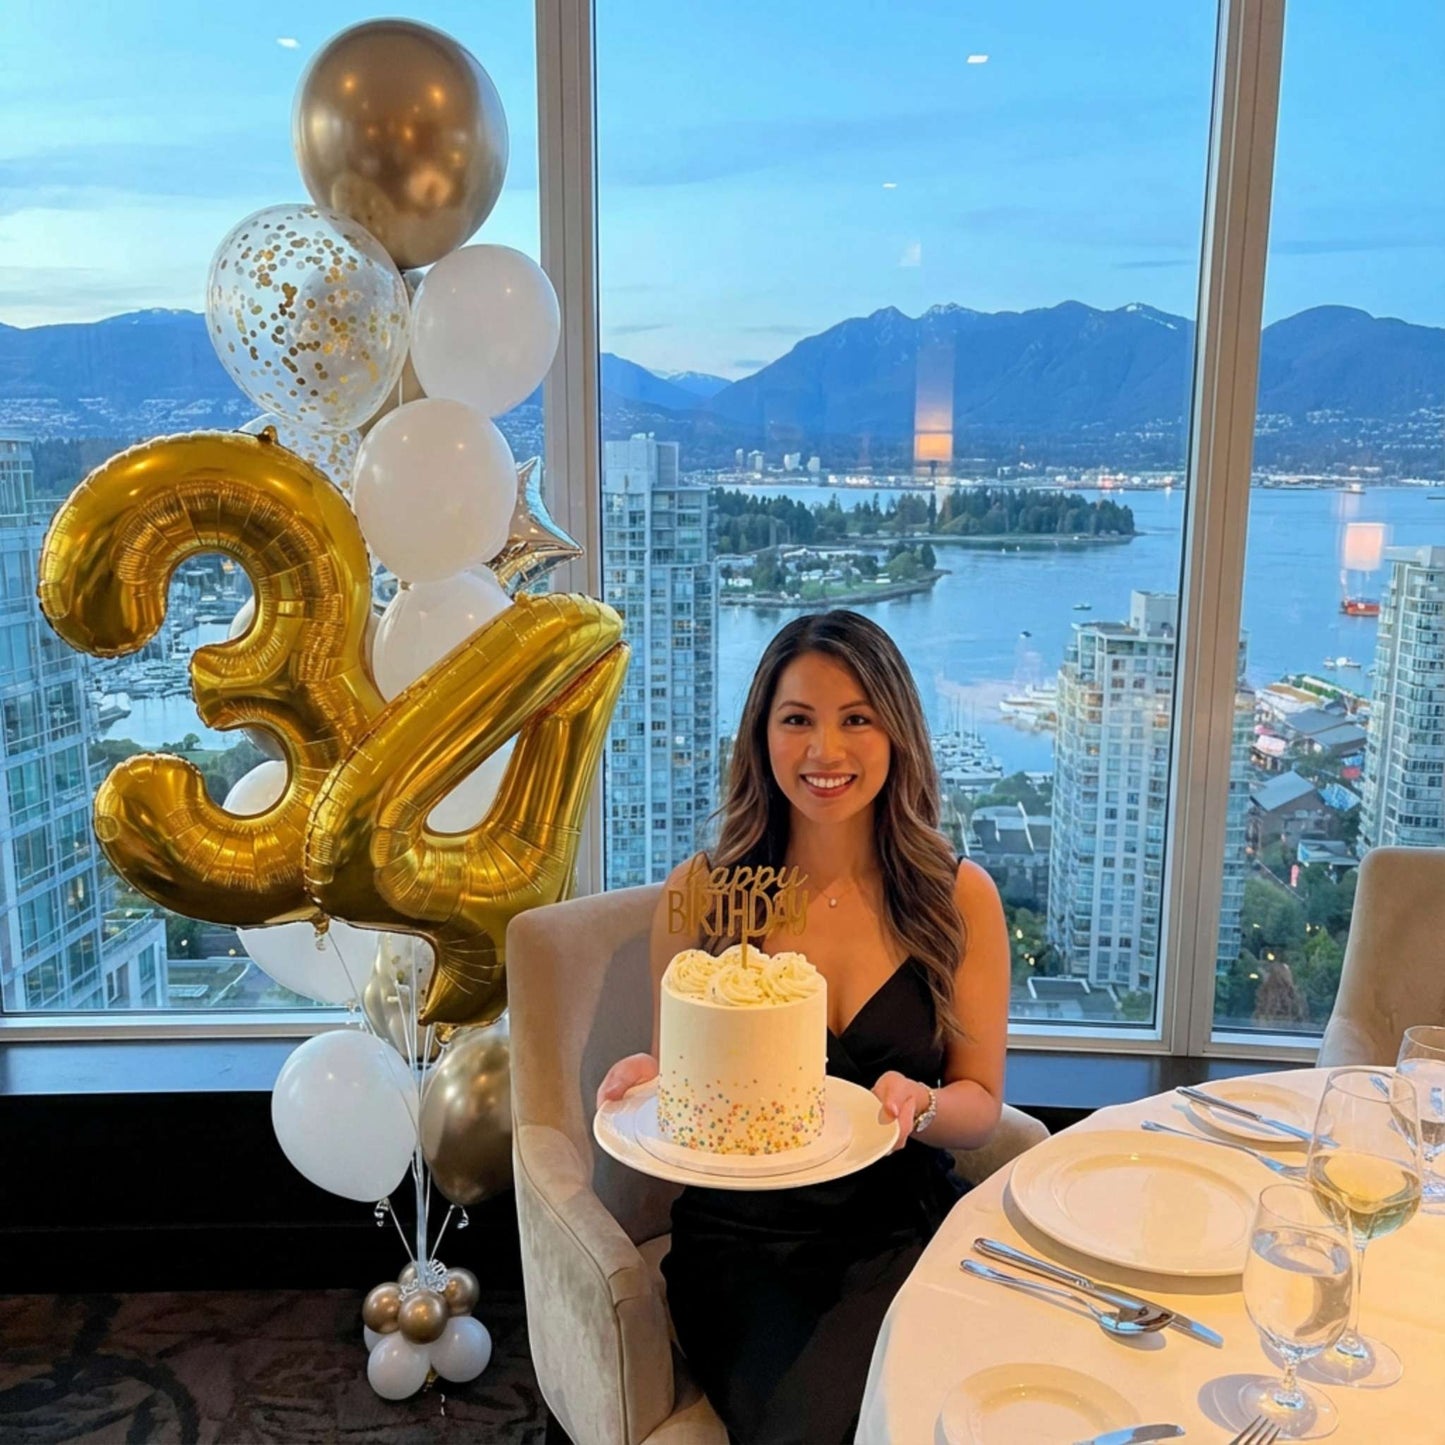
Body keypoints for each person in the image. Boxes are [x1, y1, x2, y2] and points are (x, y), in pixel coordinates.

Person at [596, 609, 1010, 1445]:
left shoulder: (956, 897)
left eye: (856, 718)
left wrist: (918, 1105)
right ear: (761, 735)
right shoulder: (707, 889)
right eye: (798, 720)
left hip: (903, 1231)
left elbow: (982, 1101)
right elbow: (683, 1072)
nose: (826, 751)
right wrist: (645, 1078)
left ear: (895, 732)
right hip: (748, 1250)